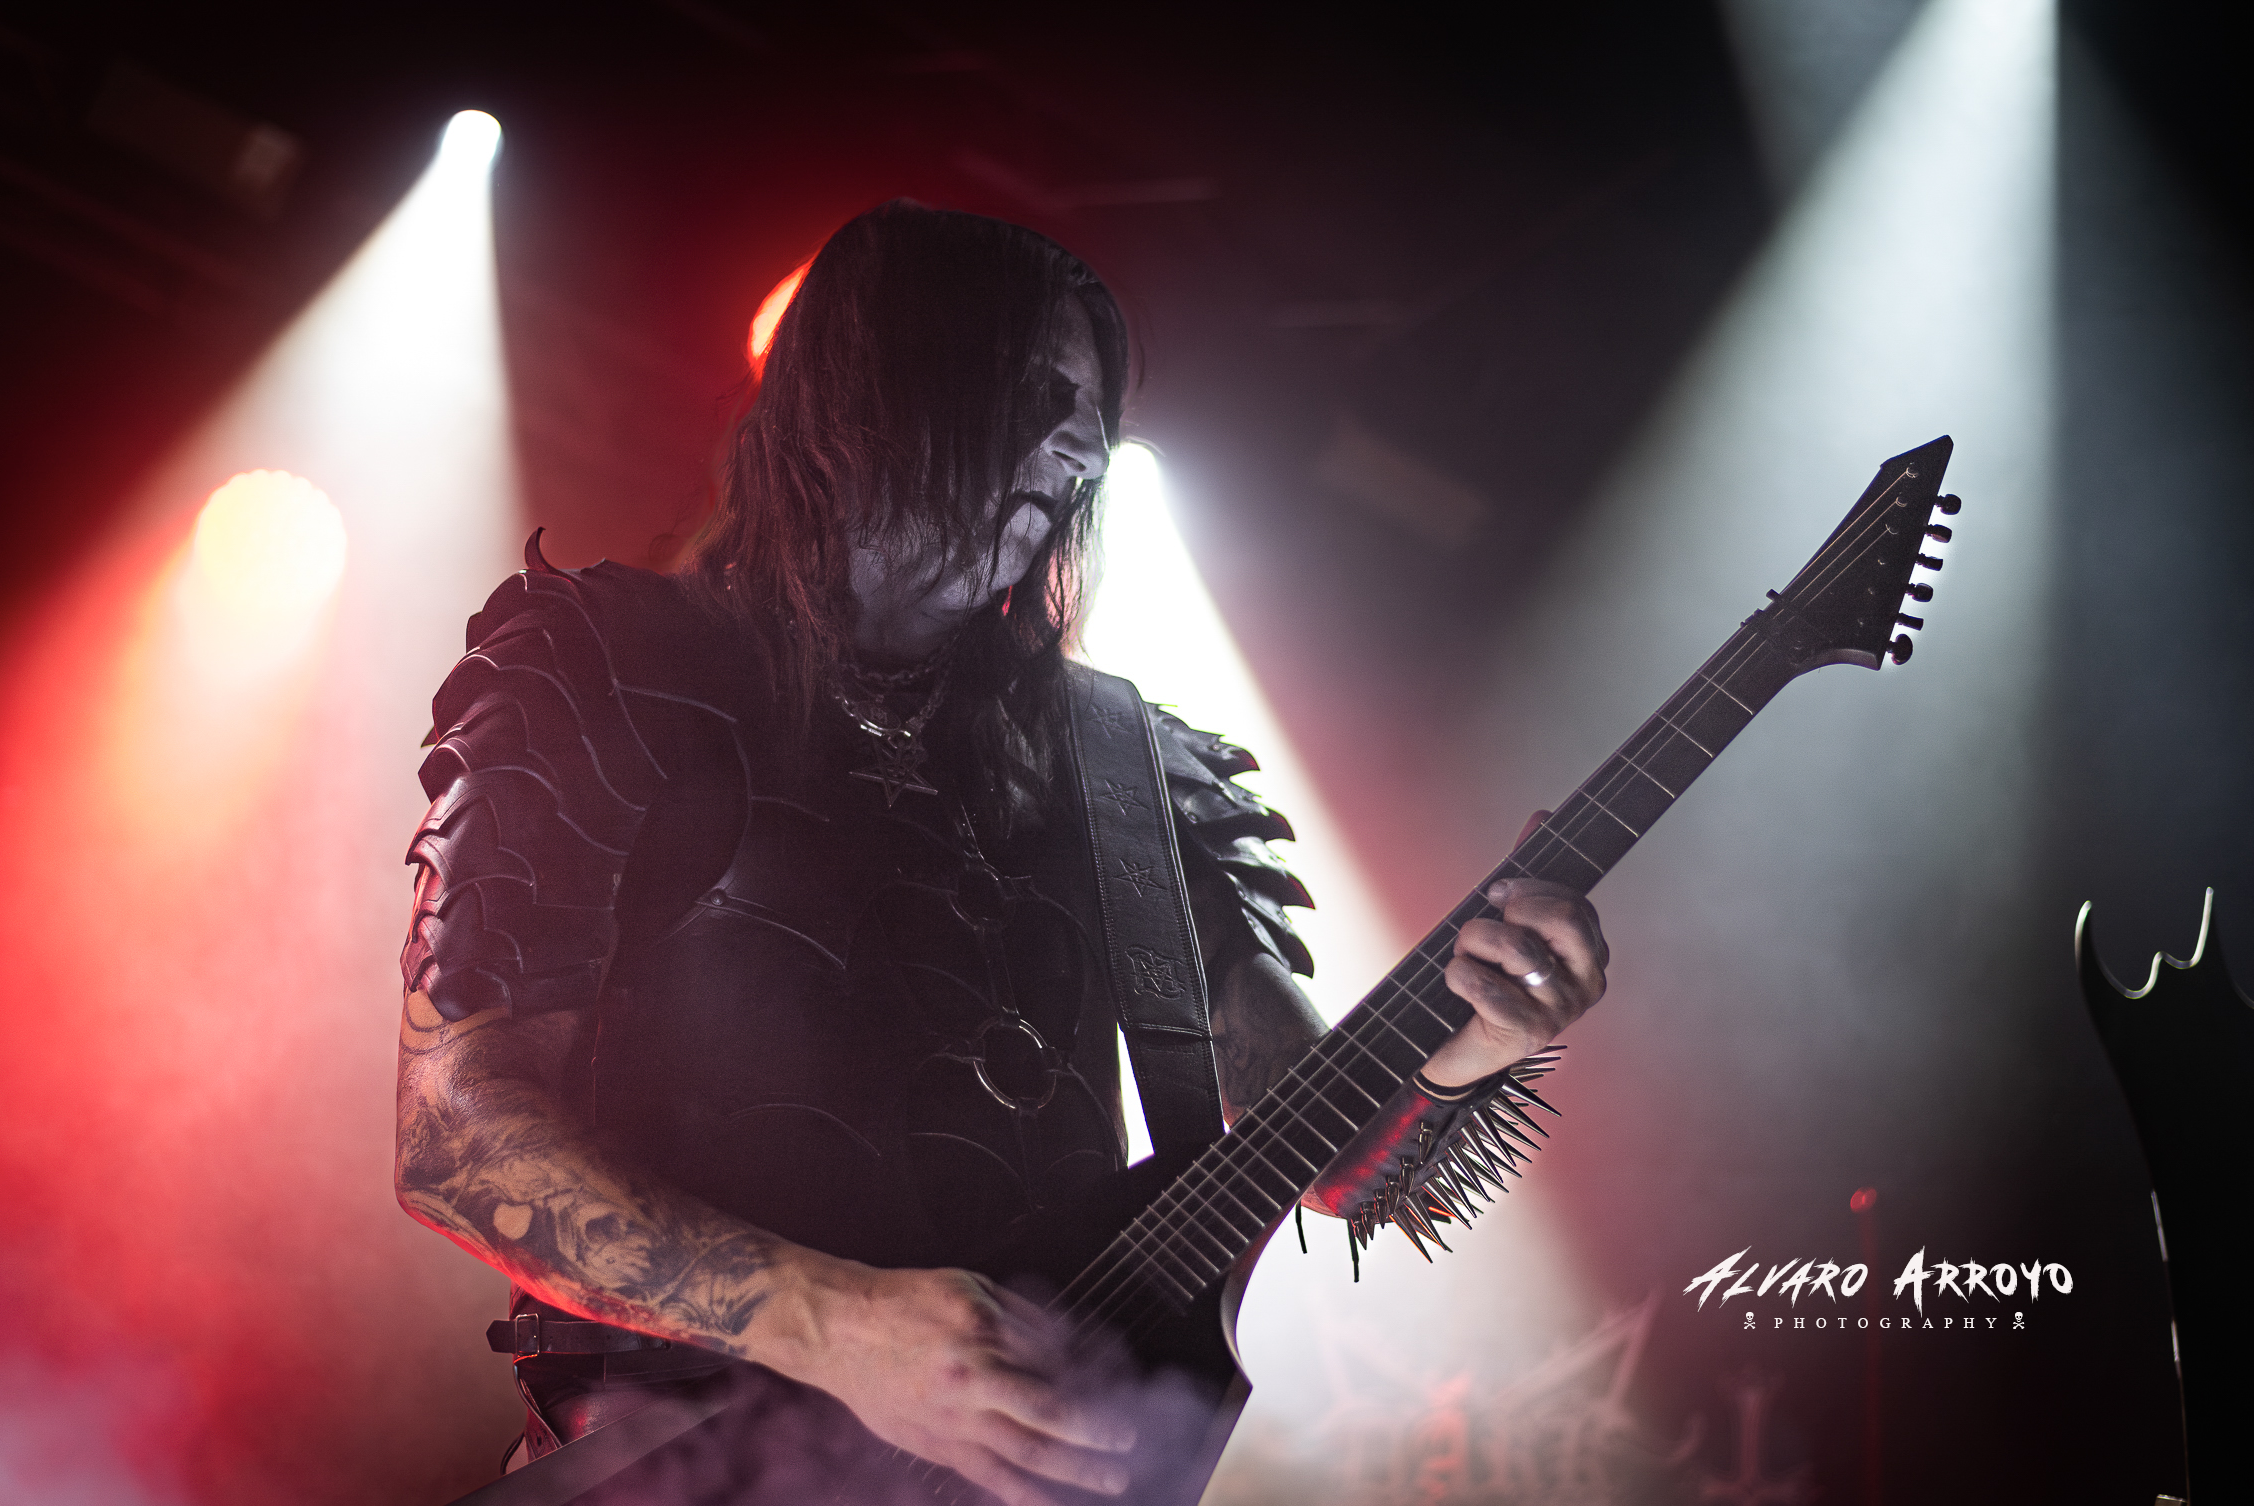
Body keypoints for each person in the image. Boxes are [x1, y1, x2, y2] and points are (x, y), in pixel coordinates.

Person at [393, 201, 1607, 1506]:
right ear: (878, 383)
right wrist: (831, 1324)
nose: (1084, 444)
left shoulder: (1126, 767)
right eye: (1038, 392)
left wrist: (1480, 1034)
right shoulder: (608, 669)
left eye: (1092, 410)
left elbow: (1338, 1161)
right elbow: (456, 1141)